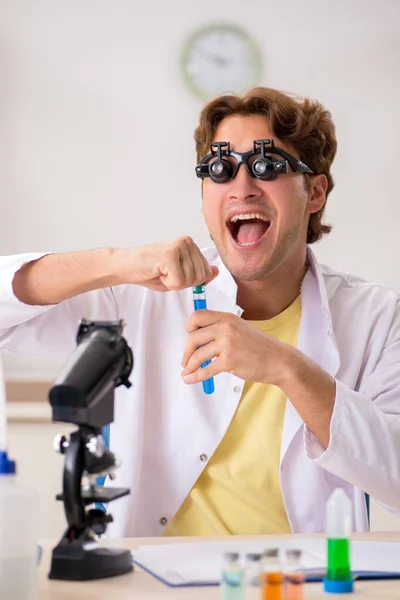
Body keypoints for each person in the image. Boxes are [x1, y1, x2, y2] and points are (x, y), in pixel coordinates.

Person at [1, 87, 399, 538]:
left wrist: (287, 368)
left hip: (297, 581)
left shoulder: (377, 318)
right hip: (150, 580)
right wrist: (116, 262)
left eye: (267, 167)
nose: (242, 188)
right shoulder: (145, 294)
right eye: (220, 169)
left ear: (315, 193)